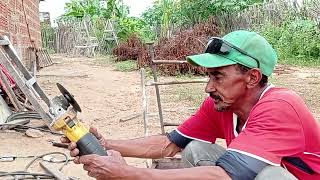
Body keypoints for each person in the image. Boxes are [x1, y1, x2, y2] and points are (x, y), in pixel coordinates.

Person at [62, 30, 320, 180]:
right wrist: (105, 145)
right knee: (196, 149)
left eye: (218, 76)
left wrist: (129, 173)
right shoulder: (220, 104)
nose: (209, 87)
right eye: (209, 76)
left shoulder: (281, 106)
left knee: (269, 178)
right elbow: (168, 144)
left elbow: (224, 176)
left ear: (252, 77)